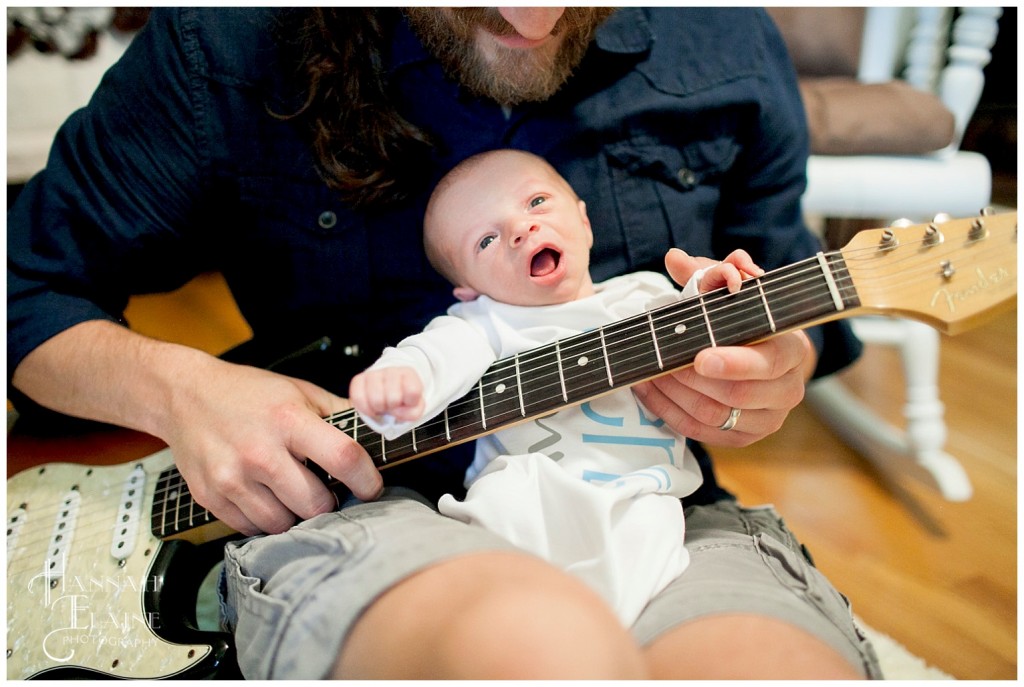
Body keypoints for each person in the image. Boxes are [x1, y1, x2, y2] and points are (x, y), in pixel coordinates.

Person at [7, 7, 877, 680]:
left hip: (661, 510)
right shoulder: (228, 43)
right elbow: (25, 281)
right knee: (538, 652)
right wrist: (178, 390)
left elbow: (790, 293)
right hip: (351, 515)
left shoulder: (725, 40)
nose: (537, 19)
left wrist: (777, 359)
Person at [350, 148, 764, 626]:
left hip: (638, 497)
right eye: (485, 240)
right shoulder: (489, 321)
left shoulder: (643, 297)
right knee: (501, 515)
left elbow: (693, 326)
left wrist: (712, 290)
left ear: (584, 223)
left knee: (647, 559)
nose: (520, 230)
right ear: (469, 290)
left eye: (537, 203)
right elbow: (437, 355)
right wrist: (401, 381)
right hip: (529, 497)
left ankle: (605, 644)